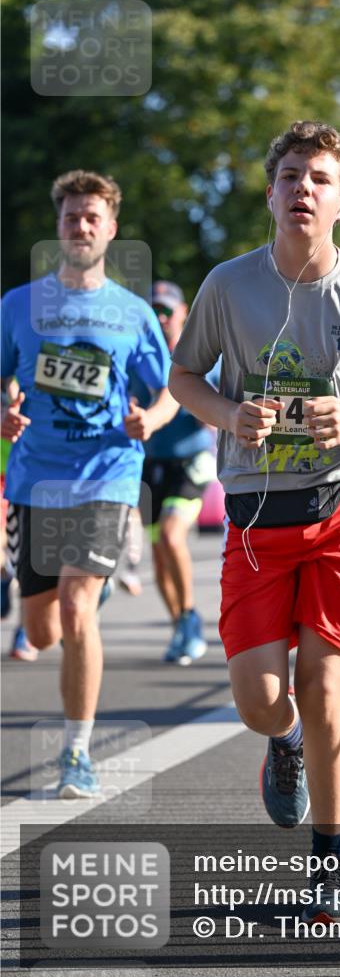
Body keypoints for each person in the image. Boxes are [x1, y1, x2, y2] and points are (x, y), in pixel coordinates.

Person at [168, 120, 340, 923]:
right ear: (270, 193)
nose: (303, 190)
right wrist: (227, 414)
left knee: (323, 691)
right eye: (290, 176)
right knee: (260, 702)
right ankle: (280, 742)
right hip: (255, 516)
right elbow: (184, 377)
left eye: (320, 179)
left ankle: (329, 859)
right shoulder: (228, 285)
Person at [0, 170, 177, 796]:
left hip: (107, 475)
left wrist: (151, 419)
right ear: (59, 226)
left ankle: (76, 752)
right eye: (71, 217)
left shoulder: (132, 313)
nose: (81, 226)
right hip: (35, 482)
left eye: (92, 218)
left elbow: (171, 391)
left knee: (76, 610)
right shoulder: (18, 305)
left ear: (110, 229)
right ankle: (83, 592)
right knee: (43, 630)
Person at [138, 280, 218, 664]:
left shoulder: (204, 355)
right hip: (152, 464)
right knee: (158, 554)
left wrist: (215, 417)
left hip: (192, 460)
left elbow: (224, 402)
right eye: (154, 310)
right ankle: (179, 626)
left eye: (167, 310)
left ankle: (188, 616)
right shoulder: (140, 355)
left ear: (183, 313)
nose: (161, 317)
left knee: (171, 536)